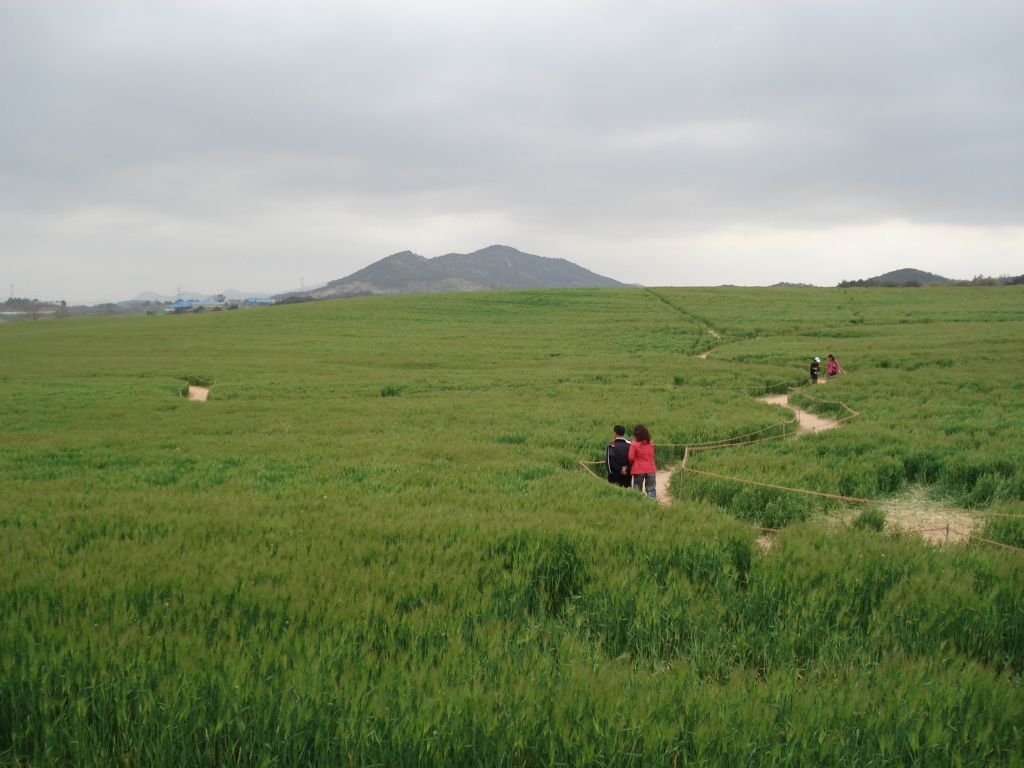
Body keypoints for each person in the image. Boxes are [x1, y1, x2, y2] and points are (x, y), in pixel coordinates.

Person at [628, 424, 657, 499]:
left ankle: (638, 504)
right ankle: (652, 504)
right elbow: (653, 455)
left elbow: (631, 457)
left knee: (637, 488)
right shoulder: (650, 443)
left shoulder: (634, 444)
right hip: (651, 468)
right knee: (651, 488)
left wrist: (631, 464)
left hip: (638, 469)